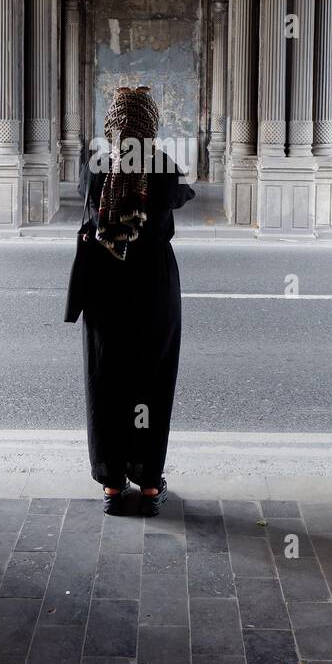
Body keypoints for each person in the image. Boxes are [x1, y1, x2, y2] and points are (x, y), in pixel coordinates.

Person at [75, 85, 195, 516]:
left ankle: (111, 484)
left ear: (111, 124)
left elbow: (85, 200)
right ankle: (148, 483)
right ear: (151, 125)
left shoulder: (95, 167)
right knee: (151, 383)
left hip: (105, 286)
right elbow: (183, 194)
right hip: (154, 289)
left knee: (106, 380)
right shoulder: (164, 168)